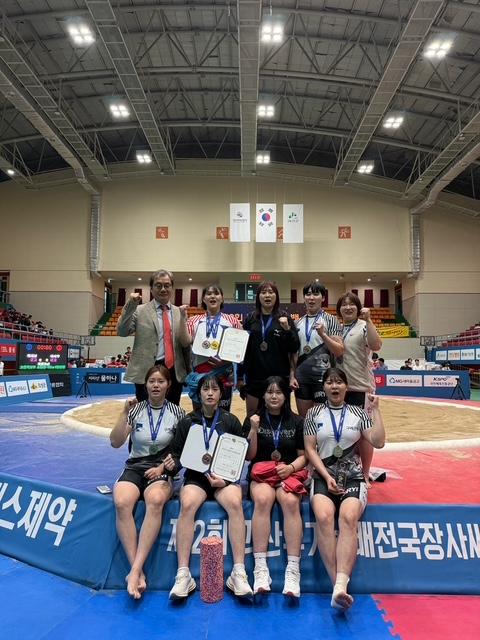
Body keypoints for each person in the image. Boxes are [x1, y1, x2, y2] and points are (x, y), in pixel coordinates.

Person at [303, 367, 385, 611]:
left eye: (339, 382)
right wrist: (326, 476)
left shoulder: (358, 413)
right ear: (324, 387)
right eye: (330, 382)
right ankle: (337, 586)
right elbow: (310, 449)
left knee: (348, 518)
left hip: (353, 478)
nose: (334, 386)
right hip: (323, 476)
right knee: (324, 517)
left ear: (346, 387)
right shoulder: (313, 413)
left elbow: (378, 441)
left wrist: (376, 410)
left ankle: (341, 584)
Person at [167, 374, 253, 599]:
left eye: (215, 389)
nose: (210, 393)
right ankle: (183, 574)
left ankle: (238, 572)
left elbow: (239, 458)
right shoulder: (187, 422)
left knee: (235, 502)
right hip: (197, 479)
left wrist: (225, 481)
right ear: (198, 394)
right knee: (187, 504)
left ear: (221, 394)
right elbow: (177, 456)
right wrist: (171, 464)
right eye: (205, 389)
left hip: (223, 480)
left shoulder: (231, 421)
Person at [109, 365, 185, 600]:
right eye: (151, 381)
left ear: (168, 385)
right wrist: (124, 414)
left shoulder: (178, 413)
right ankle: (137, 570)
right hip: (135, 465)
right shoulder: (135, 410)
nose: (155, 385)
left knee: (156, 499)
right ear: (145, 384)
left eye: (160, 381)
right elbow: (115, 442)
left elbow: (181, 450)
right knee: (122, 502)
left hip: (161, 467)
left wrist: (165, 467)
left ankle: (134, 571)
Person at [244, 376, 306, 597]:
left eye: (278, 392)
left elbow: (304, 456)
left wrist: (290, 468)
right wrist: (253, 430)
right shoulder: (253, 419)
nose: (273, 396)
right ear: (263, 395)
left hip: (288, 472)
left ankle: (293, 570)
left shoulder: (297, 422)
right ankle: (260, 569)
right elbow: (249, 456)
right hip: (262, 475)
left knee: (290, 502)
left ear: (285, 396)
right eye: (269, 392)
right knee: (262, 500)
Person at [117, 269, 191, 405]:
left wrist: (188, 371)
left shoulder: (179, 312)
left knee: (172, 412)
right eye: (158, 285)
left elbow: (185, 344)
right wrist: (131, 304)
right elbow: (122, 331)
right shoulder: (139, 310)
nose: (163, 289)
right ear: (151, 289)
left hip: (174, 372)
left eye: (167, 285)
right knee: (146, 413)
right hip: (146, 372)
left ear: (172, 288)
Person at [336, 292, 382, 482]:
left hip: (361, 387)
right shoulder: (337, 329)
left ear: (358, 307)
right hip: (340, 390)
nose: (348, 307)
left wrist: (369, 320)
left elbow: (376, 345)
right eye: (344, 304)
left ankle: (365, 472)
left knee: (364, 434)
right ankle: (344, 468)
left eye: (351, 304)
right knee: (342, 431)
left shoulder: (363, 326)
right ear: (339, 309)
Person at [241, 281, 300, 416]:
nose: (267, 295)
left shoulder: (285, 317)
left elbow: (294, 347)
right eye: (263, 292)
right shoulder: (250, 318)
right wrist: (240, 377)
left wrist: (287, 330)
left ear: (276, 296)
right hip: (255, 377)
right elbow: (244, 349)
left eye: (271, 292)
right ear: (258, 297)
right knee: (253, 416)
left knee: (281, 415)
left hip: (279, 377)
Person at [290, 281, 344, 416]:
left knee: (323, 420)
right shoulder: (297, 323)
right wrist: (292, 375)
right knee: (305, 419)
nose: (311, 298)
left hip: (324, 379)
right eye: (308, 294)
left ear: (323, 298)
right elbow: (294, 353)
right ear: (304, 298)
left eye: (315, 294)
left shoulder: (331, 320)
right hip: (301, 379)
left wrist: (323, 335)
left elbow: (339, 351)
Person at [186, 284, 242, 411]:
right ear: (203, 299)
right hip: (199, 374)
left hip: (224, 375)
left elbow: (240, 348)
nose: (212, 296)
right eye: (209, 294)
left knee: (223, 414)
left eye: (216, 293)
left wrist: (225, 361)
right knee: (199, 414)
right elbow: (186, 345)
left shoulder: (233, 321)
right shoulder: (192, 321)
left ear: (222, 298)